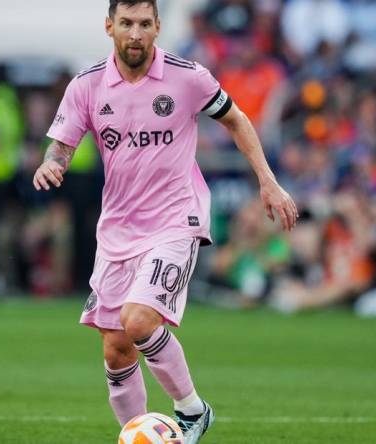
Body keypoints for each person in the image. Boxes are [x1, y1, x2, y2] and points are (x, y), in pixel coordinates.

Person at [32, 1, 297, 442]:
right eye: (126, 24)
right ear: (109, 26)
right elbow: (61, 145)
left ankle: (192, 411)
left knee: (138, 322)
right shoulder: (87, 85)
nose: (134, 34)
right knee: (116, 348)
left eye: (143, 24)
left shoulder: (188, 77)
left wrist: (268, 182)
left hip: (176, 219)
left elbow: (236, 119)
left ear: (157, 27)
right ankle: (136, 435)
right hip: (118, 227)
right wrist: (51, 164)